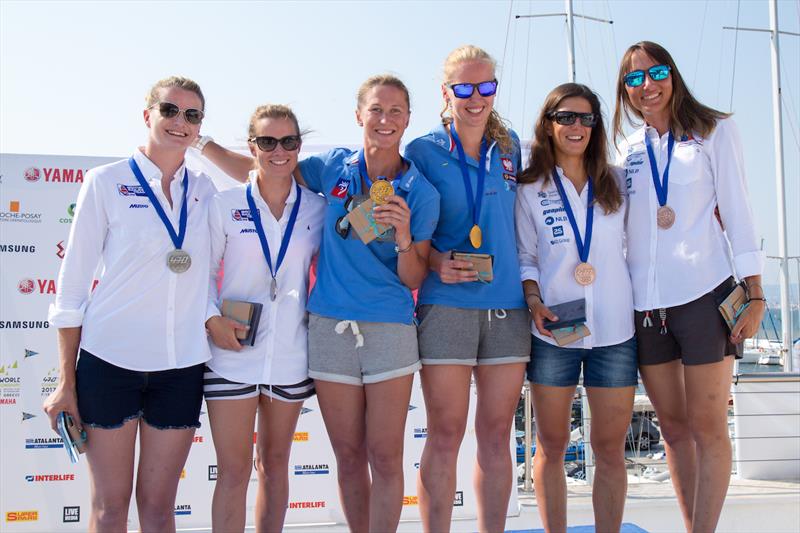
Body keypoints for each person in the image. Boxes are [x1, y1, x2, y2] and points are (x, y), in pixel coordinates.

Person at [197, 75, 440, 533]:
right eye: (375, 109)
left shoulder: (421, 191)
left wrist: (404, 238)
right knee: (348, 457)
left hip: (389, 328)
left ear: (408, 118)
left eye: (395, 111)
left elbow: (414, 275)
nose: (385, 120)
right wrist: (202, 142)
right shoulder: (333, 168)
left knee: (385, 457)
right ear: (358, 116)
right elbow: (268, 166)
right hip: (329, 330)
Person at [43, 76, 215, 532]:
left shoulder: (205, 192)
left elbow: (266, 173)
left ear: (201, 127)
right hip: (109, 363)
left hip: (180, 367)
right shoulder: (106, 181)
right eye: (170, 111)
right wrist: (66, 381)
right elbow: (72, 286)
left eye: (192, 115)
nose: (180, 122)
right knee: (109, 508)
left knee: (159, 510)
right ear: (148, 116)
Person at [613, 41, 765, 532]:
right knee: (674, 431)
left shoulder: (714, 130)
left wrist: (757, 291)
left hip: (706, 294)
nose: (647, 86)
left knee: (707, 428)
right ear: (625, 91)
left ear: (672, 74)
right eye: (634, 80)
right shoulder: (628, 149)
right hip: (647, 305)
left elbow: (739, 213)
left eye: (655, 73)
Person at [404, 45, 530, 533]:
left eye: (486, 87)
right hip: (447, 305)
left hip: (508, 308)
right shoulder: (422, 150)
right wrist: (436, 260)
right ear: (446, 92)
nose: (476, 98)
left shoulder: (512, 145)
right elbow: (402, 230)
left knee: (497, 435)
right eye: (464, 88)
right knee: (445, 434)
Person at [515, 82, 637, 532]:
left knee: (609, 449)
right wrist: (532, 298)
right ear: (548, 124)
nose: (576, 126)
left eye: (586, 118)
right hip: (554, 330)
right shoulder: (530, 188)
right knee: (551, 445)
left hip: (615, 333)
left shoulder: (619, 182)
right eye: (566, 117)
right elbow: (526, 257)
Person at [203, 104, 325, 532]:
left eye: (289, 142)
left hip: (290, 357)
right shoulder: (222, 205)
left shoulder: (317, 209)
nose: (279, 151)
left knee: (275, 466)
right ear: (251, 146)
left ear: (299, 146)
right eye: (268, 141)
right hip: (230, 356)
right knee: (234, 472)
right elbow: (200, 277)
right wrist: (209, 318)